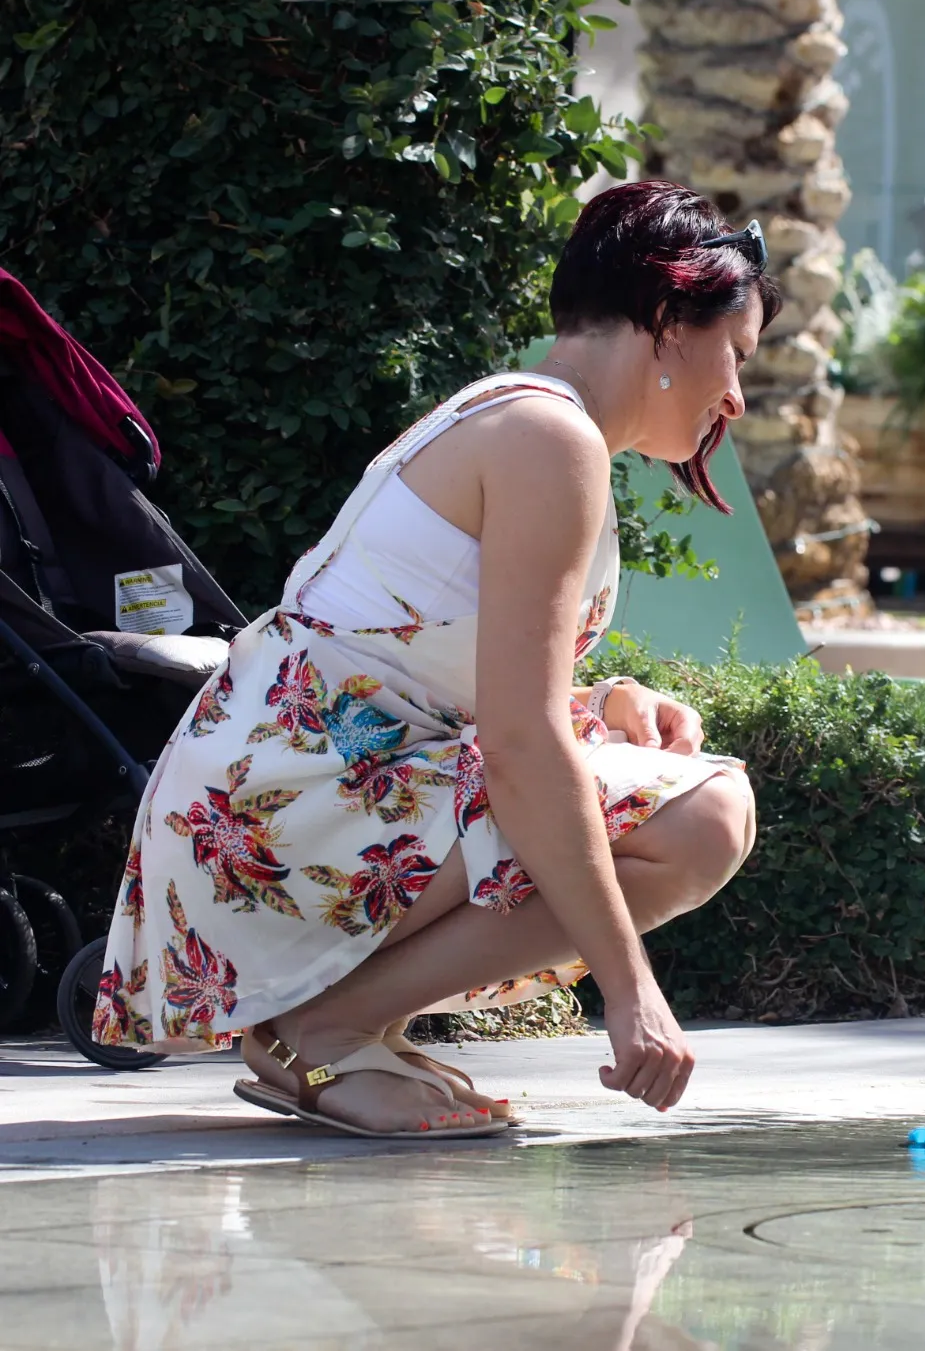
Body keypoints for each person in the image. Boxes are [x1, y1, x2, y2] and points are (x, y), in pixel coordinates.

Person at [93, 181, 771, 1139]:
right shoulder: (549, 437)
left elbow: (419, 675)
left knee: (644, 784)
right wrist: (635, 994)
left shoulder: (532, 420)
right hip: (276, 818)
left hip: (272, 799)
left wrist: (604, 697)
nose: (735, 395)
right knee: (706, 815)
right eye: (735, 356)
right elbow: (519, 742)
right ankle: (326, 1028)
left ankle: (342, 1026)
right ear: (669, 320)